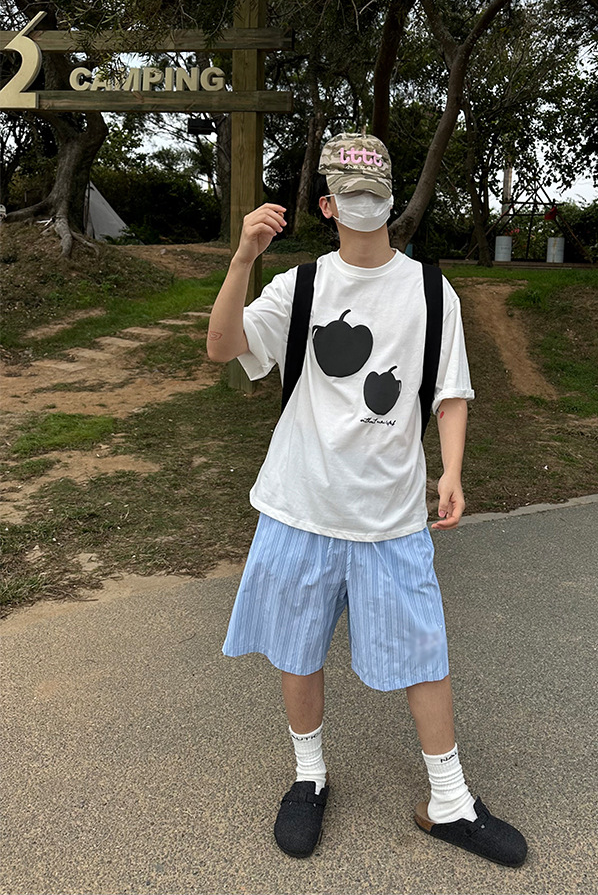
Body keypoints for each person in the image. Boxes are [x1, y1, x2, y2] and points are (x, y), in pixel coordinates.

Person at [206, 133, 527, 868]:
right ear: (327, 205)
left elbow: (450, 391)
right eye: (347, 194)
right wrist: (242, 259)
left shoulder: (430, 292)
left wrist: (451, 471)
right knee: (297, 648)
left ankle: (449, 799)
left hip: (391, 515)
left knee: (424, 652)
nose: (361, 205)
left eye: (373, 192)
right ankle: (308, 777)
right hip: (300, 506)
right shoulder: (301, 288)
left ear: (391, 198)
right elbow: (223, 348)